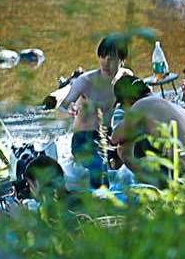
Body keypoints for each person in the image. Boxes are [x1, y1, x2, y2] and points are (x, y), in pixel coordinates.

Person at [51, 34, 139, 180]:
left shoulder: (126, 77)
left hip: (110, 134)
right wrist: (69, 112)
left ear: (122, 60)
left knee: (139, 151)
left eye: (111, 57)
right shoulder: (85, 81)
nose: (106, 61)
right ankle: (100, 197)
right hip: (85, 139)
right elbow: (59, 109)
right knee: (99, 166)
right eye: (103, 56)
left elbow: (139, 103)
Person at [112, 76, 185, 185]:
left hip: (183, 176)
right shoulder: (168, 104)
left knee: (123, 147)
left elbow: (115, 138)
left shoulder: (141, 105)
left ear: (128, 100)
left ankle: (150, 189)